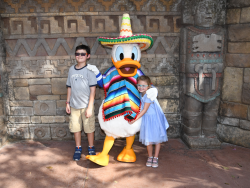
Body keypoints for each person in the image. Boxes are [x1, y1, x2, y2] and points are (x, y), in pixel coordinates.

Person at [129, 75, 169, 168]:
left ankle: (155, 157)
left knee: (157, 140)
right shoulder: (143, 93)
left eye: (143, 86)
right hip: (147, 119)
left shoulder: (148, 95)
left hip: (154, 120)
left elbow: (144, 110)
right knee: (149, 141)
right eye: (139, 85)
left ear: (148, 86)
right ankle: (150, 157)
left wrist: (134, 119)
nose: (141, 87)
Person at [66, 44, 97, 161]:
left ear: (88, 56)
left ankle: (91, 147)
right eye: (77, 54)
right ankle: (78, 148)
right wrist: (67, 103)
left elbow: (93, 90)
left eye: (82, 54)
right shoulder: (71, 70)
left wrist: (90, 107)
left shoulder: (90, 70)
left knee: (89, 128)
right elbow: (69, 87)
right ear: (75, 56)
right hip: (74, 106)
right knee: (76, 128)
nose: (80, 56)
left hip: (86, 106)